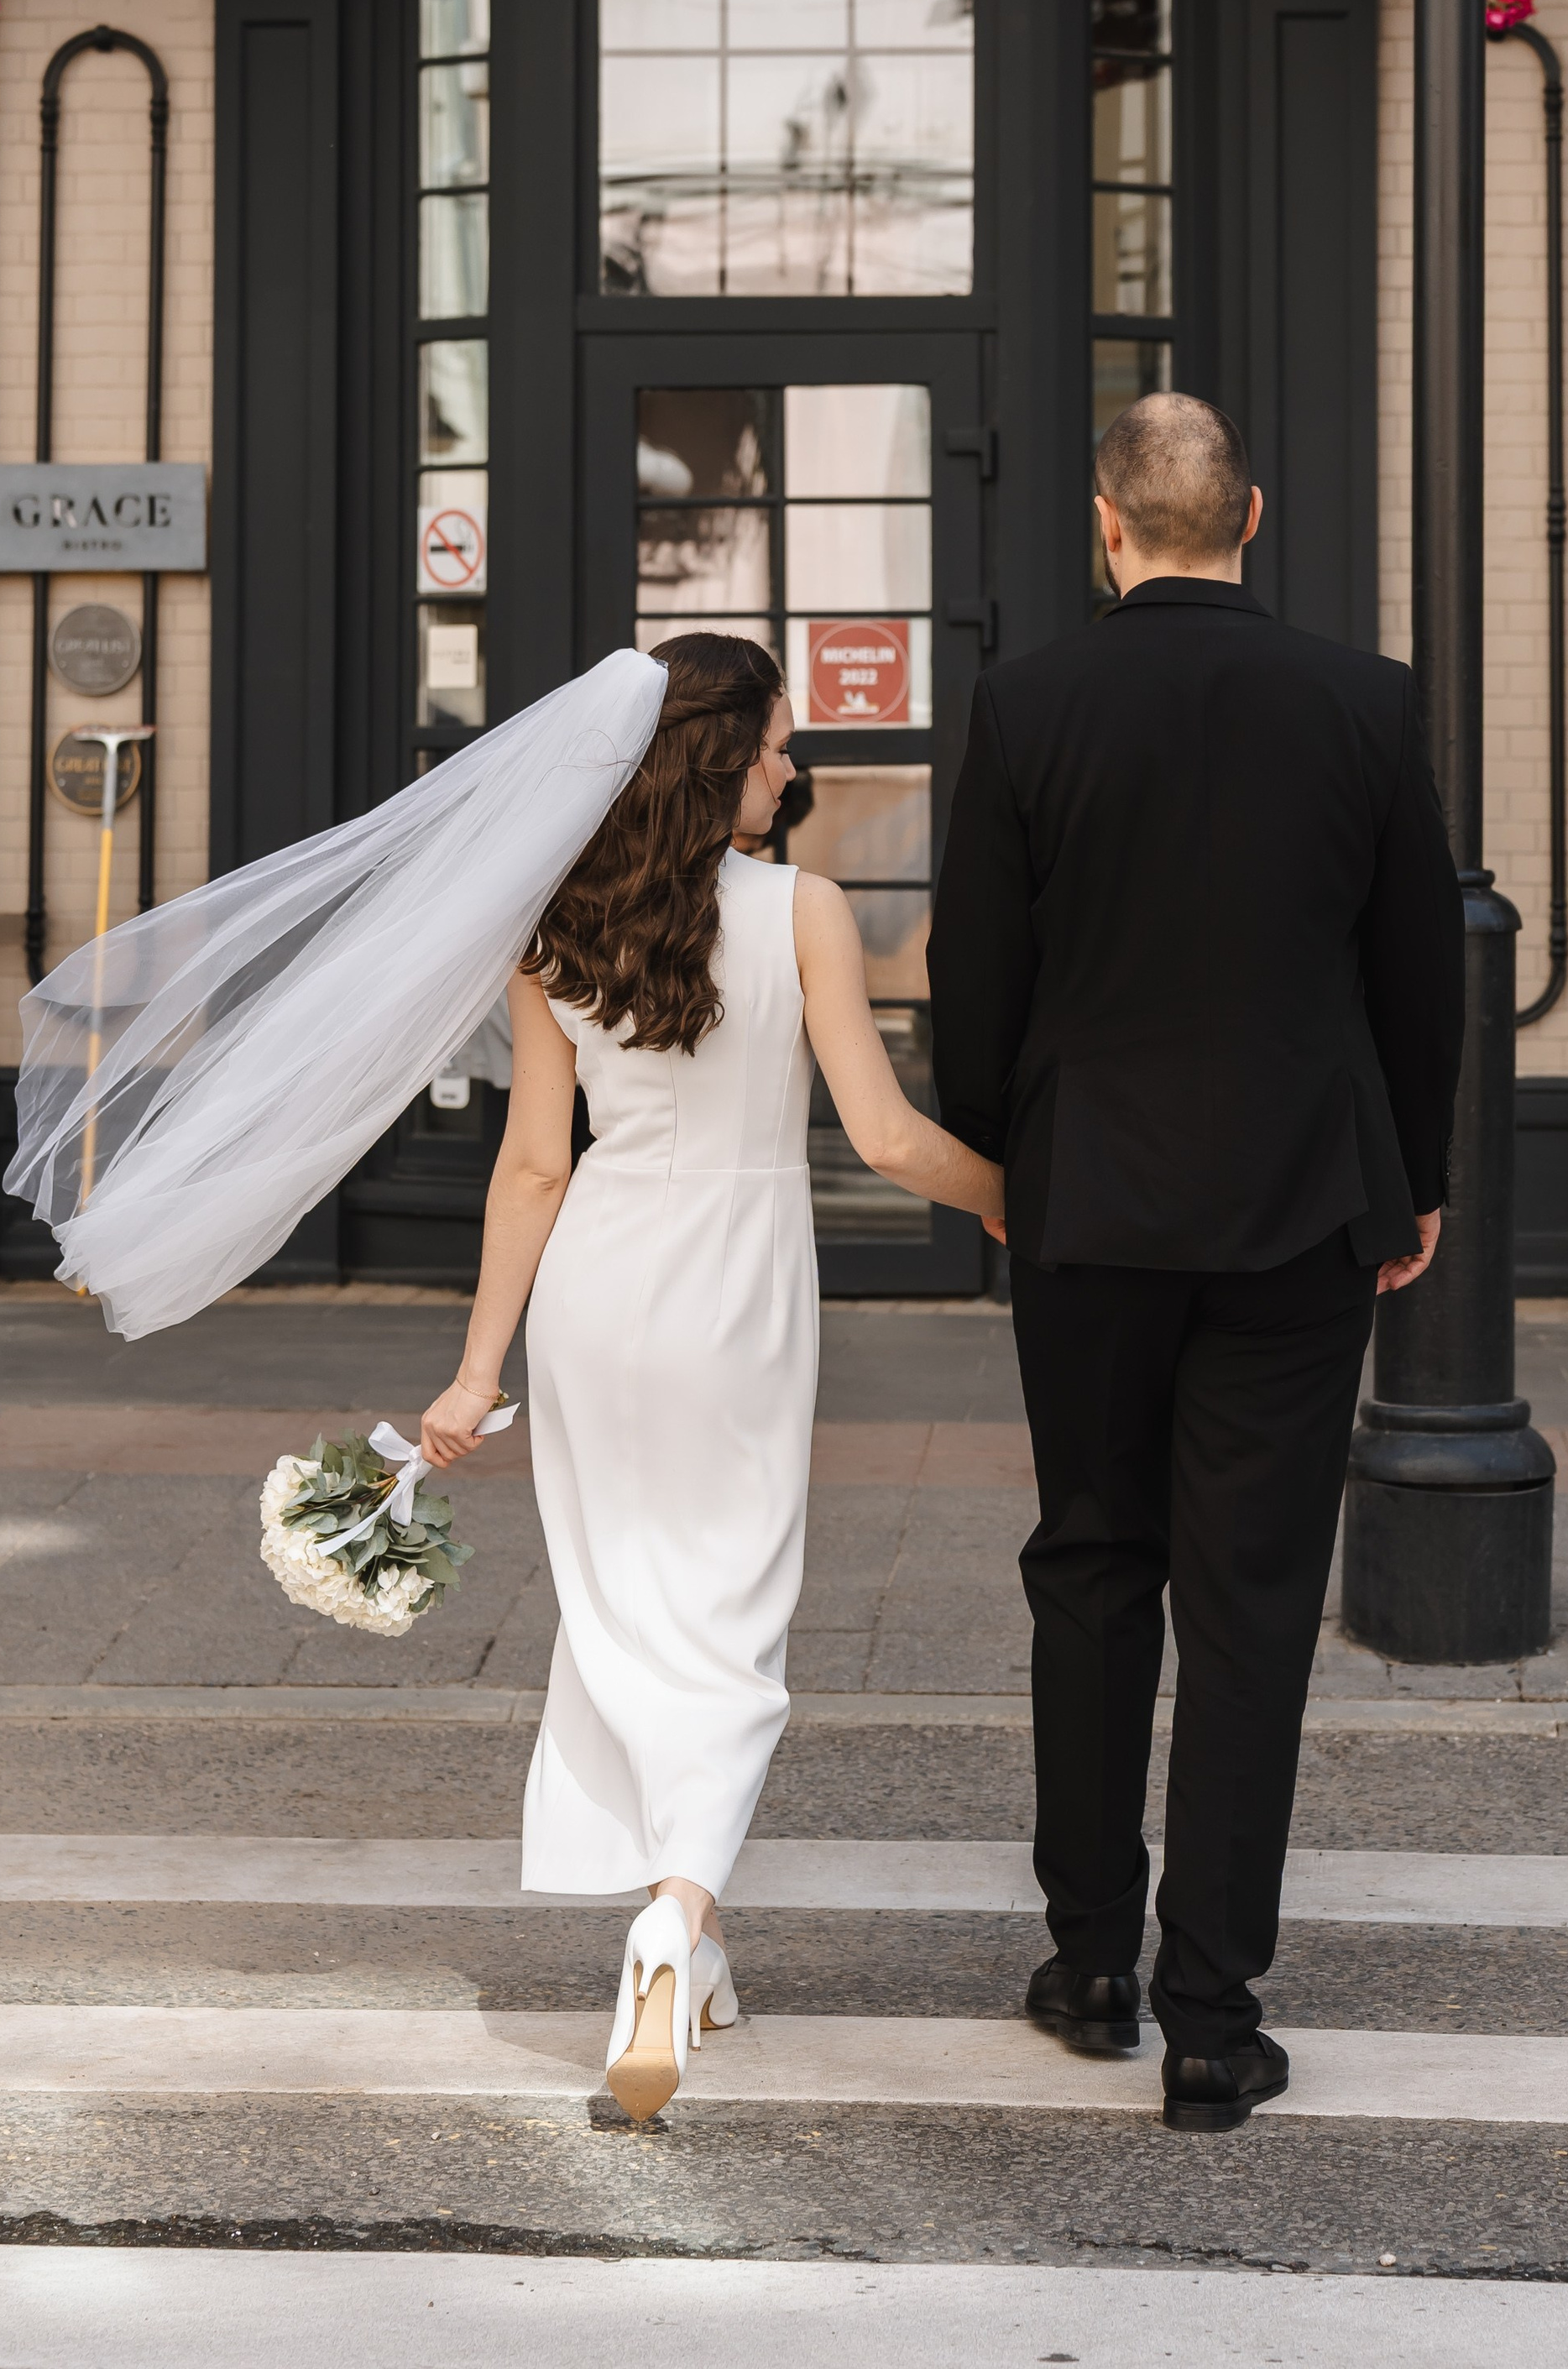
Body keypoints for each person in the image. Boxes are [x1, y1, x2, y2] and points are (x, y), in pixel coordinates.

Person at [927, 391, 1463, 2133]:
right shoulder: (1363, 703)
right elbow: (1415, 970)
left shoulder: (1025, 705)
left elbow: (976, 977)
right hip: (1299, 1203)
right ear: (1247, 515)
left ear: (1105, 524)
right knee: (1248, 1608)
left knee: (1089, 1560)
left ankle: (1086, 1957)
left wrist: (1006, 1153)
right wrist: (1417, 1180)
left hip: (1085, 1203)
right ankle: (1211, 2018)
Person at [416, 631, 1005, 2123]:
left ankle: (711, 1957)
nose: (794, 773)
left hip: (599, 1290)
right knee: (729, 1614)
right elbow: (881, 1137)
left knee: (630, 1601)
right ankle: (669, 1924)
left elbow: (536, 1166)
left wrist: (477, 1368)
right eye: (777, 750)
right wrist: (1015, 1197)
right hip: (737, 1284)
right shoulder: (806, 910)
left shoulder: (554, 925)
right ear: (718, 759)